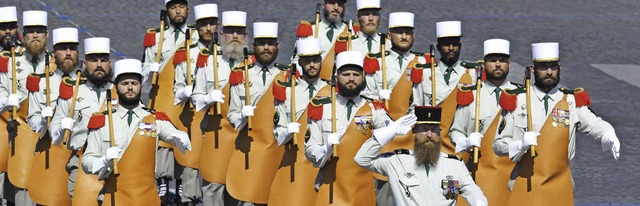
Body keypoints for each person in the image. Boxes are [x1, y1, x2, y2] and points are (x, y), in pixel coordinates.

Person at [492, 42, 621, 205]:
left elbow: (593, 123)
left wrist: (608, 133)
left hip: (559, 183)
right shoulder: (518, 100)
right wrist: (520, 145)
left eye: (553, 67)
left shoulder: (570, 100)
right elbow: (498, 144)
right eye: (543, 67)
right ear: (532, 69)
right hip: (525, 182)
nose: (548, 72)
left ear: (559, 68)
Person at [82, 58, 191, 205]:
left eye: (134, 83)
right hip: (114, 197)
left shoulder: (154, 118)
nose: (130, 88)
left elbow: (169, 131)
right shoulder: (103, 121)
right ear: (116, 87)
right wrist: (103, 160)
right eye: (125, 83)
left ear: (141, 86)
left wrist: (179, 136)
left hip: (145, 198)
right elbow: (87, 161)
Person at [355, 106, 488, 206]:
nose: (429, 135)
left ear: (440, 132)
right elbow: (362, 159)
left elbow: (471, 189)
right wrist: (391, 130)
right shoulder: (397, 161)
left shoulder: (455, 165)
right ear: (414, 131)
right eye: (424, 129)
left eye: (434, 130)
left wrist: (479, 202)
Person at [305, 50, 390, 205]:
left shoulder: (373, 108)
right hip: (331, 185)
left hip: (363, 186)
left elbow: (388, 133)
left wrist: (394, 127)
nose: (351, 79)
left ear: (363, 77)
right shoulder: (321, 106)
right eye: (346, 74)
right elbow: (309, 148)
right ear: (337, 78)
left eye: (356, 75)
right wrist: (324, 149)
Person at [362, 11, 427, 205]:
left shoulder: (423, 62)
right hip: (387, 134)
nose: (404, 36)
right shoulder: (377, 61)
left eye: (408, 32)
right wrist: (379, 102)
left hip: (414, 135)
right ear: (389, 35)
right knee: (386, 195)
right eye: (399, 32)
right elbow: (366, 97)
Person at [449, 39, 519, 206]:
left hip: (511, 173)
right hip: (480, 171)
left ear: (508, 64)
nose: (497, 65)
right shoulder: (472, 95)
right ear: (484, 63)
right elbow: (455, 131)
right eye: (492, 60)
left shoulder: (522, 95)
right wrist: (465, 141)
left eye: (501, 60)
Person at [225, 21, 288, 205]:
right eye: (261, 43)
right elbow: (232, 115)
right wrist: (242, 116)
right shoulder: (241, 74)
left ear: (278, 46)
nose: (266, 48)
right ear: (253, 46)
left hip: (277, 149)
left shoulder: (286, 76)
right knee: (248, 199)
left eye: (270, 43)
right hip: (250, 148)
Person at [141, 0, 197, 202]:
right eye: (174, 7)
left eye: (181, 7)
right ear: (168, 11)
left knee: (183, 136)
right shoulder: (155, 36)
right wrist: (150, 70)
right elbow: (143, 71)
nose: (178, 11)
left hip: (183, 99)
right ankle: (161, 182)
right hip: (161, 95)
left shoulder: (195, 35)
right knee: (159, 140)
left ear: (188, 10)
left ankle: (182, 183)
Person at [48, 32, 113, 203]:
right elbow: (53, 132)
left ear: (110, 63)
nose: (99, 65)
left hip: (113, 164)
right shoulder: (72, 91)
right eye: (93, 60)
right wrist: (61, 127)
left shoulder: (118, 91)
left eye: (103, 60)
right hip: (81, 160)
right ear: (84, 64)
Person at [194, 10, 246, 206]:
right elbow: (195, 98)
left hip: (243, 138)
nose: (234, 36)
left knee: (239, 189)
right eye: (230, 31)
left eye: (239, 32)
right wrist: (207, 98)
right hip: (215, 134)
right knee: (213, 188)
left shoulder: (253, 65)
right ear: (222, 34)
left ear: (246, 36)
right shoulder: (208, 61)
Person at [170, 3, 220, 204]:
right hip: (193, 116)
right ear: (197, 27)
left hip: (218, 118)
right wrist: (185, 91)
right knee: (192, 164)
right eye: (204, 25)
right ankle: (190, 199)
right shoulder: (187, 53)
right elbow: (176, 89)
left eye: (212, 24)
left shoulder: (224, 52)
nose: (208, 28)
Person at [269, 37, 328, 205]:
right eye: (307, 61)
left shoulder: (330, 91)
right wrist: (287, 131)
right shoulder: (287, 92)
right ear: (300, 63)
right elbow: (277, 134)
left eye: (315, 60)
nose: (311, 65)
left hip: (321, 162)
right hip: (295, 162)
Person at [0, 10, 49, 205]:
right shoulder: (11, 62)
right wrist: (8, 102)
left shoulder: (54, 63)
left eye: (39, 31)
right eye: (31, 32)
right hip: (16, 134)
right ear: (25, 34)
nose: (35, 35)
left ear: (47, 34)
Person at [412, 21, 477, 155]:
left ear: (460, 46)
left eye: (455, 44)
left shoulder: (472, 73)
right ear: (438, 47)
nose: (451, 48)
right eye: (446, 44)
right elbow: (416, 107)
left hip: (460, 143)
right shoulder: (425, 73)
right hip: (431, 141)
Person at [294, 0, 349, 81]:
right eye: (332, 3)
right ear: (324, 5)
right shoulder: (310, 29)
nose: (336, 8)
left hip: (342, 86)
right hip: (314, 84)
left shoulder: (351, 31)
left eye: (340, 4)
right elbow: (296, 60)